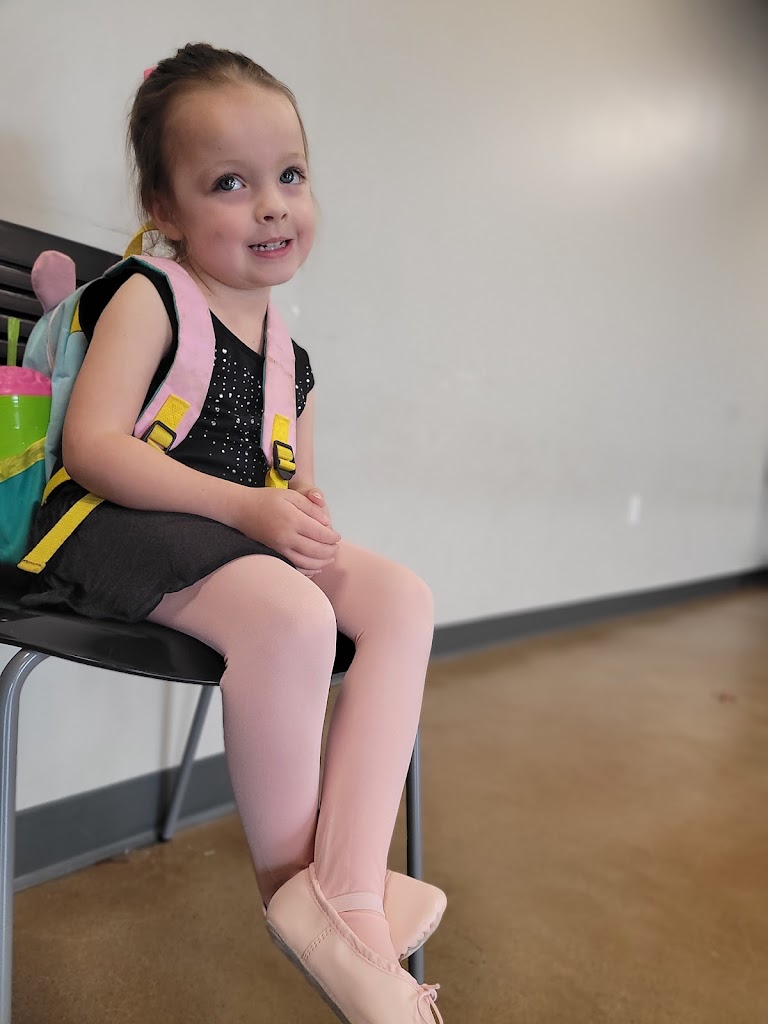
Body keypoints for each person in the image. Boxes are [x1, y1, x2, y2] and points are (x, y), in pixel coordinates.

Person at [22, 43, 444, 1022]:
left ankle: (345, 896)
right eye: (229, 183)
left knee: (401, 599)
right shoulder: (150, 297)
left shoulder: (293, 358)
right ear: (164, 209)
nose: (272, 207)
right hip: (110, 524)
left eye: (290, 175)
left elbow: (288, 482)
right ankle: (305, 909)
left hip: (223, 543)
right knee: (294, 618)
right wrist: (253, 512)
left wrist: (299, 511)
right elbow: (92, 449)